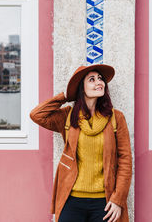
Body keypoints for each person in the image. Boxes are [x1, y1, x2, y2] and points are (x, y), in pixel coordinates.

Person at [30, 64, 132, 222]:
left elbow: (125, 160)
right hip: (71, 200)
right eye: (92, 79)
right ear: (81, 88)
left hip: (104, 202)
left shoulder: (116, 118)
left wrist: (118, 199)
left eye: (100, 79)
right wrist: (65, 95)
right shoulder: (68, 116)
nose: (99, 82)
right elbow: (37, 115)